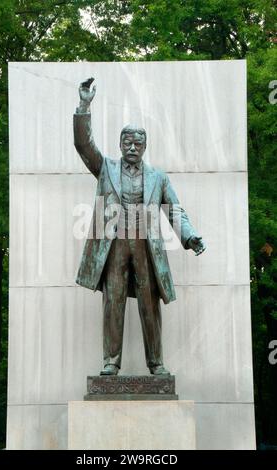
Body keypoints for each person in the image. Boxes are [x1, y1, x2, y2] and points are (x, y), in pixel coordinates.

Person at [73, 77, 206, 376]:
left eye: (138, 143)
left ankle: (156, 363)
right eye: (128, 142)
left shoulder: (158, 177)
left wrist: (189, 236)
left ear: (145, 147)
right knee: (113, 300)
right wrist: (84, 105)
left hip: (146, 244)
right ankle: (111, 361)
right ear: (120, 144)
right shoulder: (105, 167)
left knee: (149, 303)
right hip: (115, 241)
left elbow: (174, 209)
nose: (132, 147)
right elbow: (83, 144)